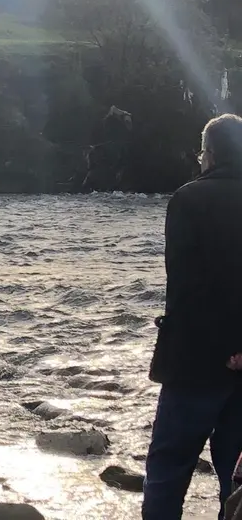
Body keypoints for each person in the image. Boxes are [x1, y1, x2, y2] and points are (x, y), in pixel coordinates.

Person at [143, 113, 242, 520]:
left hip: (196, 361)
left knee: (169, 464)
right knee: (235, 474)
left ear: (211, 154)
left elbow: (186, 287)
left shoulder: (189, 199)